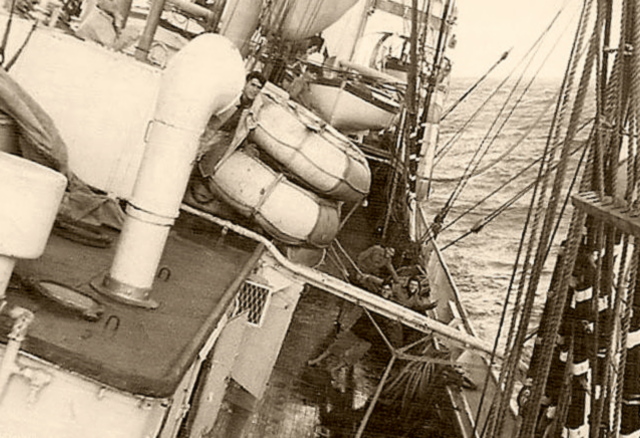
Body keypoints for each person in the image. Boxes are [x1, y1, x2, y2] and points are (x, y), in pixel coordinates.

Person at [188, 71, 266, 206]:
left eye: (258, 88)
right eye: (252, 85)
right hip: (208, 131)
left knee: (210, 162)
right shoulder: (232, 98)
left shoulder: (252, 109)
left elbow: (245, 131)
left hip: (224, 139)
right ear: (245, 83)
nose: (254, 90)